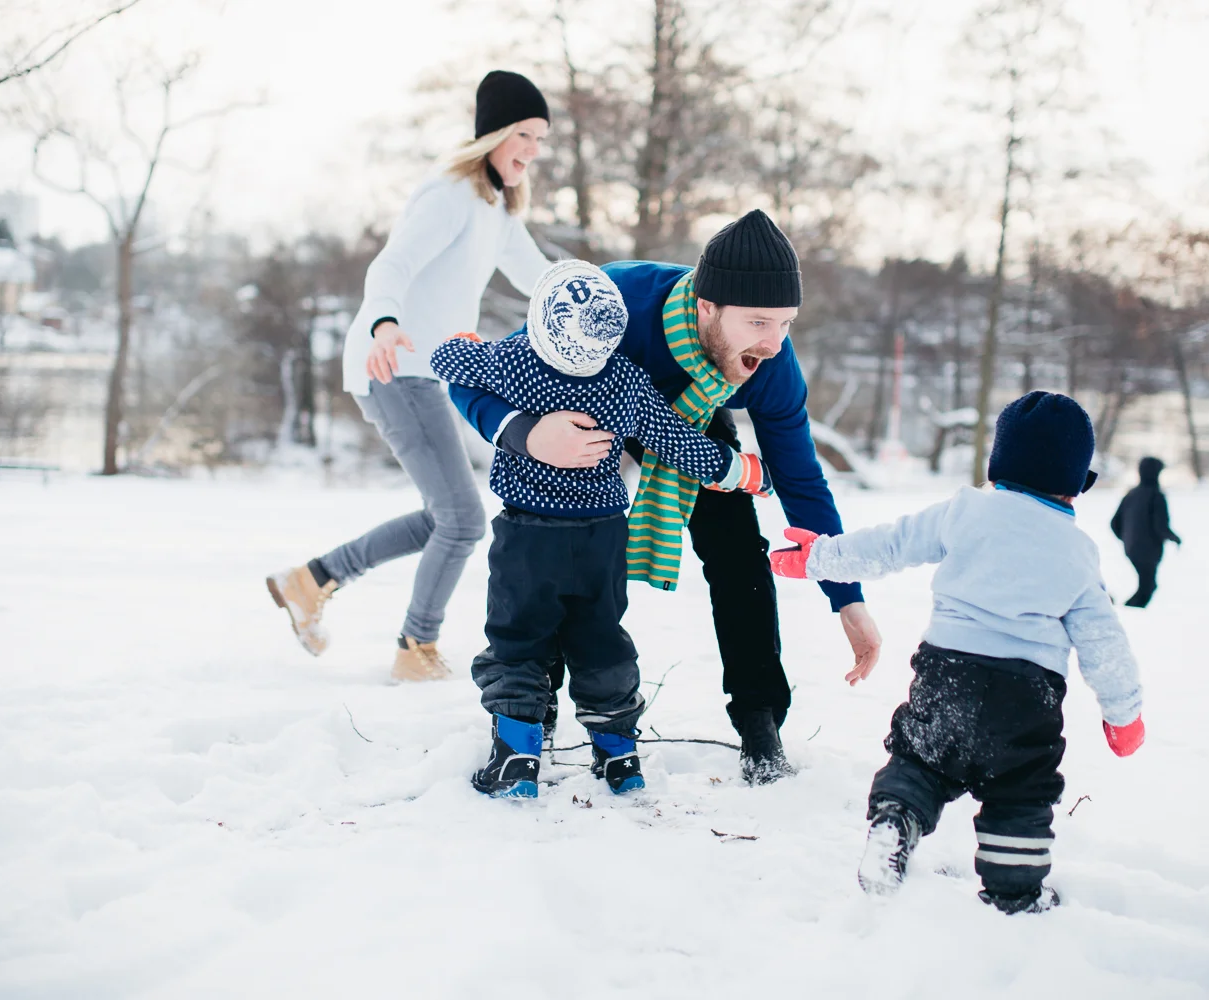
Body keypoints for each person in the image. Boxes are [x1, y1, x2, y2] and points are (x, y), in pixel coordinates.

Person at [448, 210, 884, 785]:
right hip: (582, 416)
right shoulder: (610, 303)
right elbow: (477, 376)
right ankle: (534, 710)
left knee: (737, 553)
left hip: (694, 429)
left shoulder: (771, 366)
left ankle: (760, 725)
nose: (775, 343)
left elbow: (802, 483)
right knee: (553, 552)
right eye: (758, 322)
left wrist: (848, 599)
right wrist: (526, 434)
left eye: (786, 323)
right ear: (707, 307)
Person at [770, 391, 1146, 915]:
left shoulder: (965, 511)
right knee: (1020, 790)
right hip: (1025, 698)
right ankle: (1015, 892)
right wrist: (1124, 715)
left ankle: (895, 820)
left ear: (996, 464)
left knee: (922, 759)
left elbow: (889, 545)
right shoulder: (1078, 553)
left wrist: (819, 558)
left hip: (947, 674)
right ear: (1079, 486)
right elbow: (1104, 643)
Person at [430, 261, 774, 798]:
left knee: (518, 640)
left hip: (528, 535)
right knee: (600, 640)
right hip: (603, 538)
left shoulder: (516, 362)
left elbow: (446, 361)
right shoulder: (626, 380)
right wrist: (739, 470)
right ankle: (619, 759)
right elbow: (677, 441)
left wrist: (460, 341)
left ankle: (517, 758)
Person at [266, 70, 553, 681]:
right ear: (494, 133)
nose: (532, 150)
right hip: (393, 365)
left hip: (425, 373)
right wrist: (385, 324)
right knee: (462, 519)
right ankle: (414, 650)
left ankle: (312, 580)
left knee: (444, 515)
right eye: (524, 134)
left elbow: (541, 278)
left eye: (539, 139)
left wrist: (604, 300)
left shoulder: (496, 208)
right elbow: (391, 264)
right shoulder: (450, 194)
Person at [1110, 456, 1182, 608]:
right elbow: (1160, 526)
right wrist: (1174, 538)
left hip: (1132, 549)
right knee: (1148, 586)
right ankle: (1126, 610)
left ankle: (1125, 608)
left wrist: (1128, 539)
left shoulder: (1131, 494)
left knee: (1147, 585)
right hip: (1148, 551)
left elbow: (1114, 523)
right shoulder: (1156, 496)